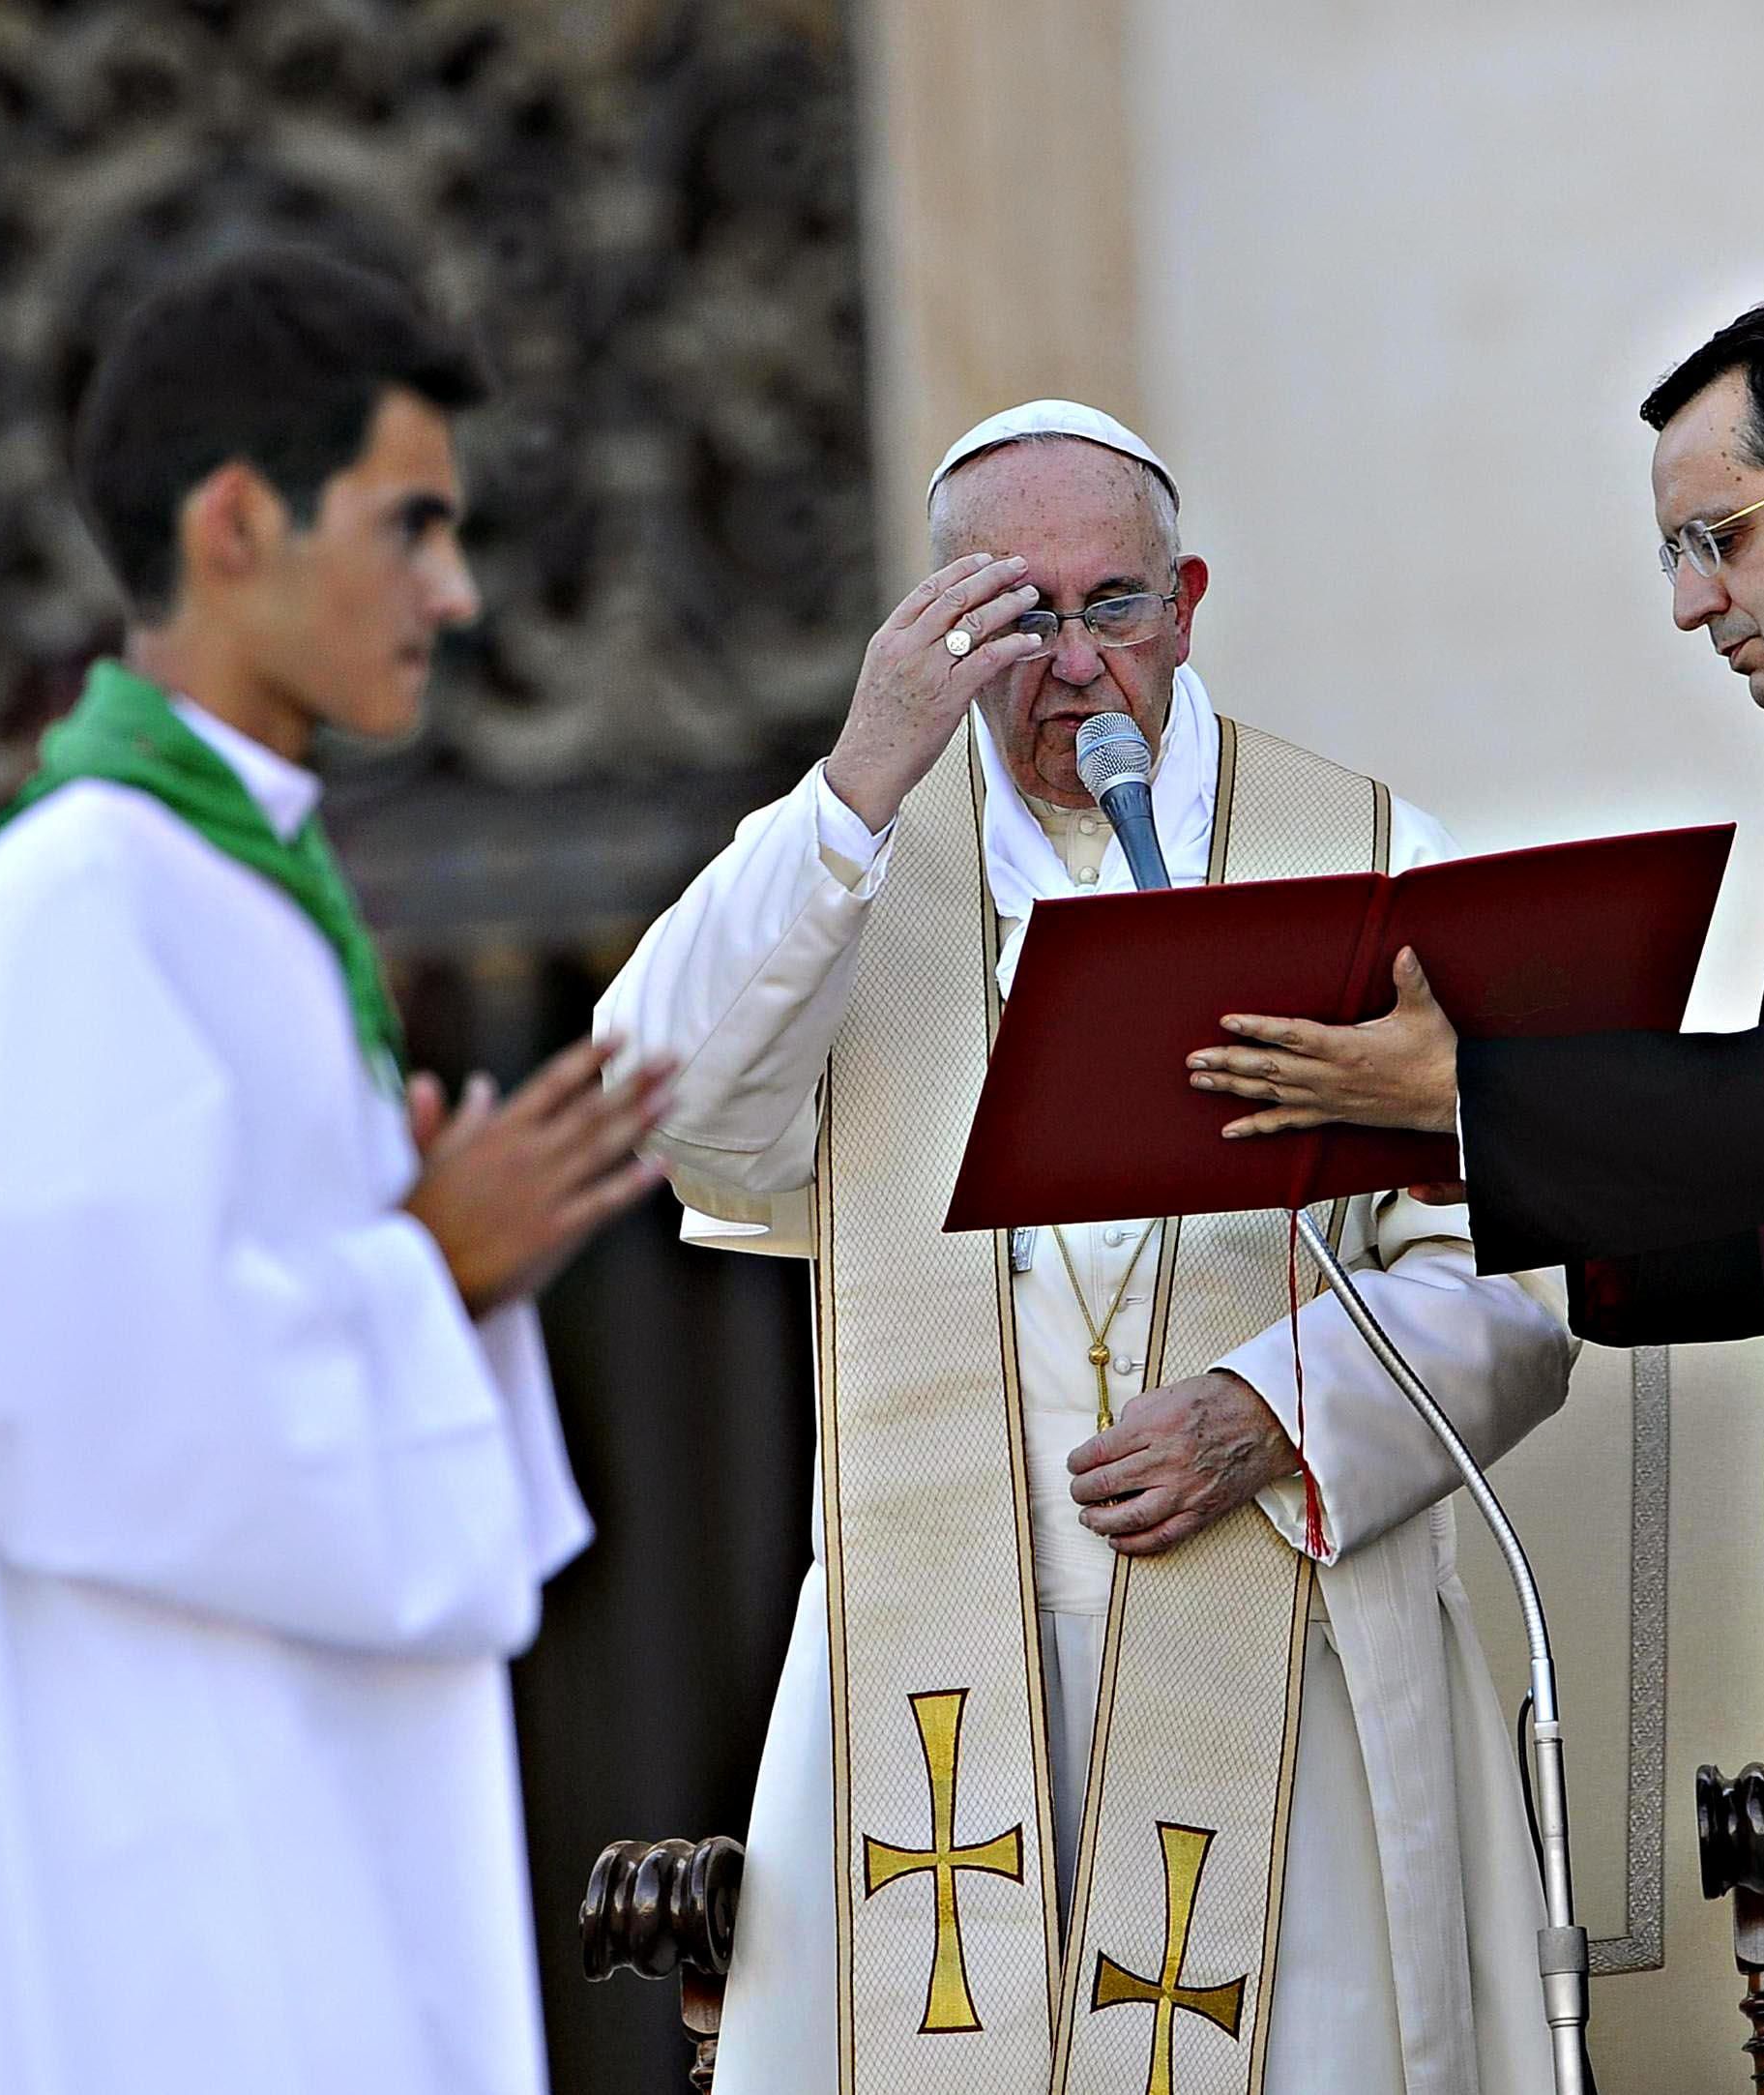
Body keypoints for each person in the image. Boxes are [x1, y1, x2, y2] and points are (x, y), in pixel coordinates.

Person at [1184, 303, 1764, 2091]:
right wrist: (1427, 1170)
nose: (1693, 602)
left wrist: (1471, 1099)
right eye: (1673, 556)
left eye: (1718, 540)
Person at [0, 249, 676, 2092]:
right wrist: (426, 1265)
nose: (457, 589)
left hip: (251, 1759)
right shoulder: (80, 884)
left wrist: (437, 1267)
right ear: (240, 519)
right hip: (134, 1815)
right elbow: (50, 1399)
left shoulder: (236, 886)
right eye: (410, 525)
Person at [595, 399, 1573, 2095]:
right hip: (946, 1646)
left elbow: (1518, 1273)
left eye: (1108, 605)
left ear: (1185, 599)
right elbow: (664, 1096)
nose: (1066, 663)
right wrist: (854, 778)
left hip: (1285, 1628)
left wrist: (1275, 1410)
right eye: (1007, 615)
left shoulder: (1357, 861)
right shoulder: (853, 871)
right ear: (931, 627)